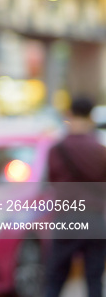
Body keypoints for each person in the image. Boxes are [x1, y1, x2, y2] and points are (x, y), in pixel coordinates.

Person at [45, 96, 106, 297]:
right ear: (90, 116)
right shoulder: (100, 151)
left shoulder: (57, 149)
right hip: (95, 218)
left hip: (67, 217)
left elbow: (52, 181)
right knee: (94, 278)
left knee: (56, 276)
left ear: (69, 114)